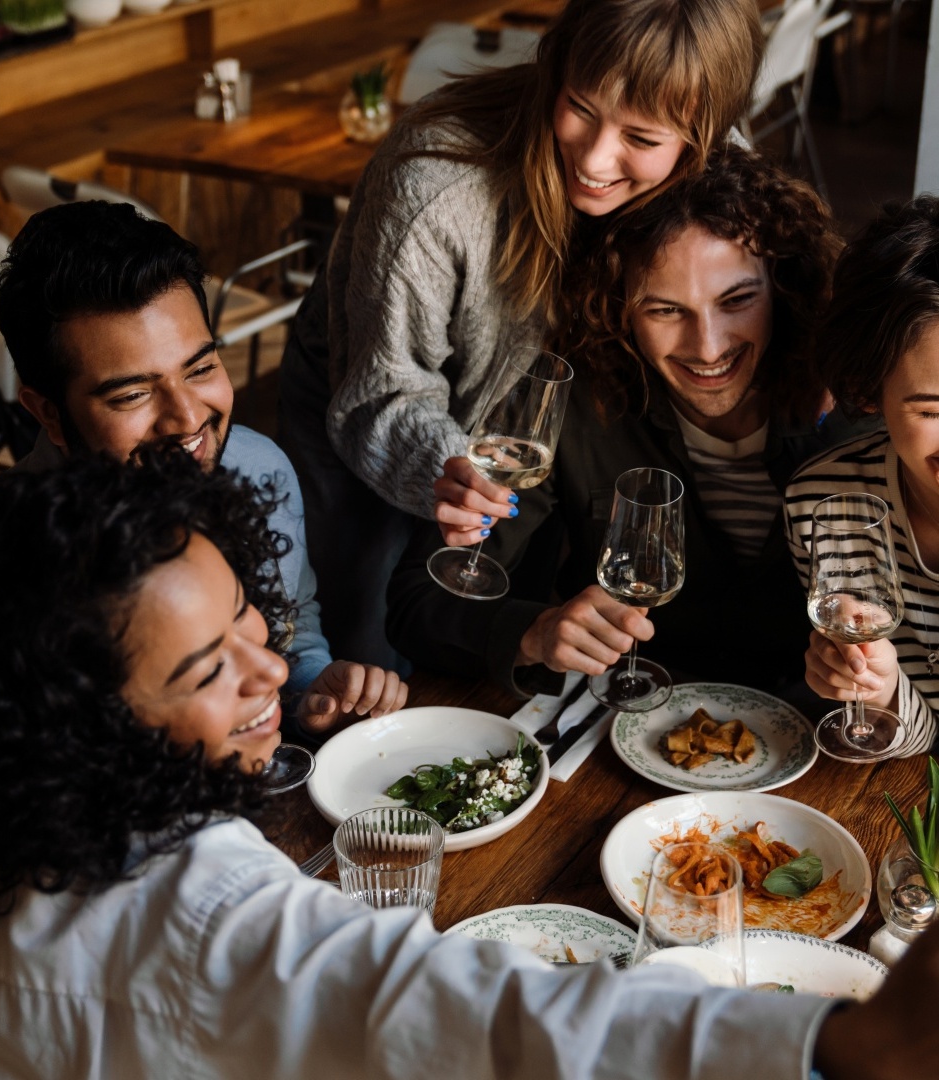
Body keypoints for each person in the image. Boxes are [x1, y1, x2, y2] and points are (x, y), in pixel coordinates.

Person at [0, 446, 934, 1080]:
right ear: (80, 721)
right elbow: (481, 1018)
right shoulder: (194, 913)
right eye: (208, 669)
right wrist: (836, 1044)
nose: (273, 669)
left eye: (249, 618)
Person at [278, 0, 766, 670]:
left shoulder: (719, 165)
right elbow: (383, 388)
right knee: (365, 648)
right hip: (373, 403)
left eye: (643, 140)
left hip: (526, 419)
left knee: (506, 625)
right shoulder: (435, 187)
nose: (595, 158)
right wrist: (443, 472)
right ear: (554, 65)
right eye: (581, 107)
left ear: (702, 136)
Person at [387, 144, 870, 704]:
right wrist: (533, 633)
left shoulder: (854, 405)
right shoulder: (572, 405)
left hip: (819, 730)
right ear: (616, 308)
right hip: (617, 728)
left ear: (782, 287)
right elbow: (418, 602)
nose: (707, 346)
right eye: (665, 310)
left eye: (737, 300)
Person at [0, 200, 406, 738]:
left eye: (201, 367)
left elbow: (291, 638)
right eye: (133, 394)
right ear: (47, 412)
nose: (188, 419)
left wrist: (313, 690)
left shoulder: (258, 469)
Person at [784, 195, 939, 756]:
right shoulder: (826, 504)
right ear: (871, 391)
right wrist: (882, 693)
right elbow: (923, 739)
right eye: (933, 411)